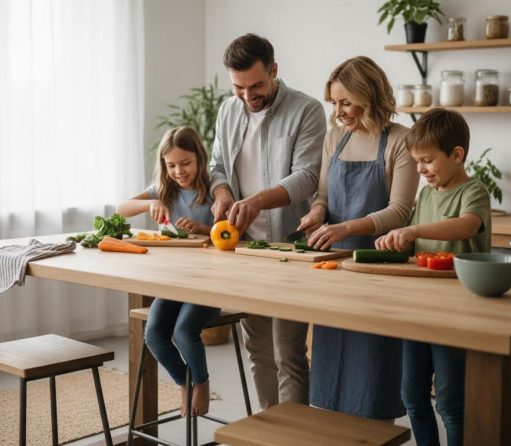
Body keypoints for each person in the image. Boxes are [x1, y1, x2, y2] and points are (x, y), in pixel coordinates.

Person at [298, 56, 418, 422]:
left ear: (371, 96)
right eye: (334, 102)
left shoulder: (400, 140)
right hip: (333, 266)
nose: (339, 111)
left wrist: (347, 227)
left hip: (378, 267)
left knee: (373, 366)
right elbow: (322, 196)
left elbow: (400, 211)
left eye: (346, 102)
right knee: (331, 360)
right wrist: (317, 214)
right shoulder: (334, 137)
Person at [209, 33, 326, 409]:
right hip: (244, 247)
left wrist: (257, 201)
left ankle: (293, 435)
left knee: (288, 353)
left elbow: (307, 175)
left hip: (289, 244)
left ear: (274, 70)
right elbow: (217, 167)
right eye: (238, 87)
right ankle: (268, 430)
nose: (247, 95)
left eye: (256, 85)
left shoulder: (306, 110)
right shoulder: (228, 110)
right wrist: (223, 194)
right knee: (257, 349)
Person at [375, 108, 492, 446]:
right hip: (420, 306)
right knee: (412, 395)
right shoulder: (426, 194)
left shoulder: (474, 191)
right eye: (416, 162)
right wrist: (397, 240)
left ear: (456, 155)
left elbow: (467, 225)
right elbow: (417, 244)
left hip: (457, 309)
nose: (420, 169)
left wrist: (411, 228)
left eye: (427, 160)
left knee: (451, 401)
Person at [117, 126, 218, 416]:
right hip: (174, 281)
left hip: (209, 283)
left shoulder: (213, 189)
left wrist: (202, 229)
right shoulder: (164, 190)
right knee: (154, 335)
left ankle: (202, 382)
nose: (178, 171)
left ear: (199, 158)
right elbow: (122, 208)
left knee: (184, 332)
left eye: (185, 163)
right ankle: (185, 382)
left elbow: (231, 234)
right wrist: (151, 202)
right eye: (171, 165)